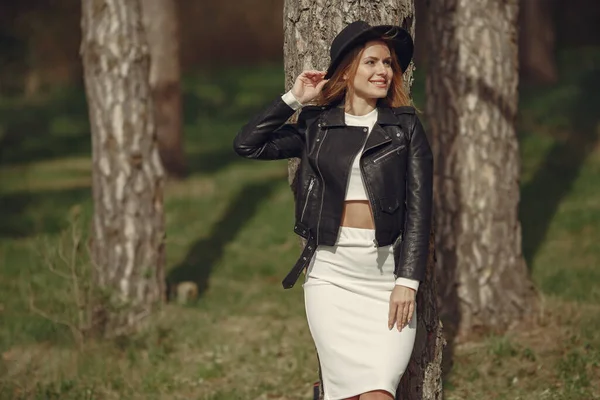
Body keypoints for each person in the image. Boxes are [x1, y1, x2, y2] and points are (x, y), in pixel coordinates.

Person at [233, 20, 433, 400]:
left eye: (388, 63)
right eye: (371, 62)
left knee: (379, 391)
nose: (383, 72)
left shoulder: (405, 127)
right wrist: (294, 98)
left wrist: (407, 282)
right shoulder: (318, 125)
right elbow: (248, 145)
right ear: (348, 68)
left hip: (384, 278)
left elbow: (420, 211)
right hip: (331, 276)